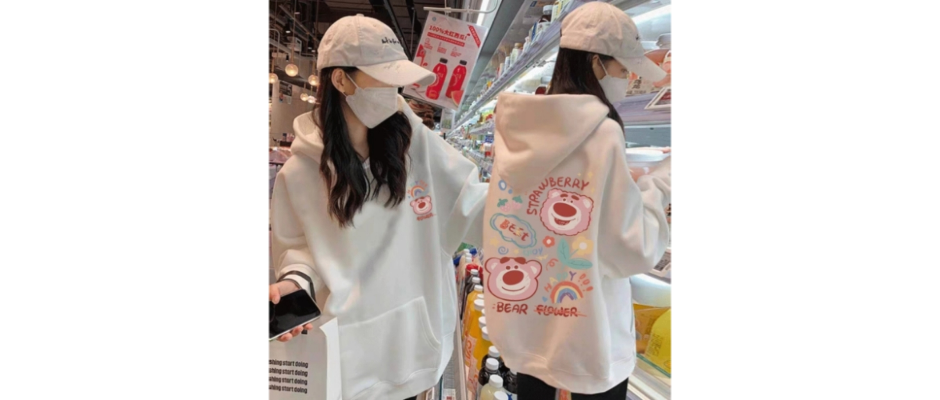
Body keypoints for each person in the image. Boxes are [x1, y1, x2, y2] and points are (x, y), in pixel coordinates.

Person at [269, 14, 487, 400]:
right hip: (348, 359)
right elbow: (301, 252)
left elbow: (471, 205)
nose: (394, 91)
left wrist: (529, 194)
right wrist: (294, 284)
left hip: (412, 352)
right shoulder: (299, 173)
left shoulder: (416, 146)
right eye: (383, 78)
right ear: (341, 80)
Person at [481, 3, 671, 399]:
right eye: (623, 70)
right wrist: (659, 185)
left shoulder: (517, 129)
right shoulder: (601, 133)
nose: (628, 79)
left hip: (527, 329)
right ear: (597, 64)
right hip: (588, 336)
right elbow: (631, 248)